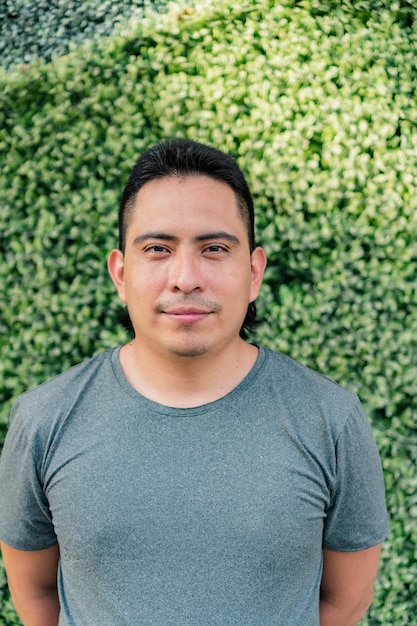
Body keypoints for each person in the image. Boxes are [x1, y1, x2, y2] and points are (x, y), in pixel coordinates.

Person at [0, 138, 389, 626]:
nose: (186, 277)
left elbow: (345, 600)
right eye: (158, 249)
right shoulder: (43, 419)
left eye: (214, 248)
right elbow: (35, 593)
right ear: (121, 274)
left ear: (253, 272)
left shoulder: (331, 419)